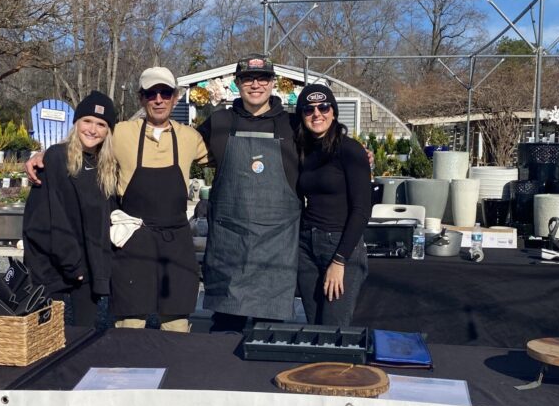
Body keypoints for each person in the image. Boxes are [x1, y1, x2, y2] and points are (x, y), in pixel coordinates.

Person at [197, 54, 302, 332]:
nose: (256, 84)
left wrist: (359, 155)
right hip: (229, 249)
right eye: (248, 79)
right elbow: (178, 151)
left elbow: (329, 151)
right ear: (237, 83)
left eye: (263, 78)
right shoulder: (218, 122)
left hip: (276, 253)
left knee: (269, 340)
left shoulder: (293, 125)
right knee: (224, 337)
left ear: (273, 83)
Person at [109, 67, 208, 332]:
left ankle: (176, 373)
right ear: (141, 99)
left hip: (176, 242)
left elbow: (228, 157)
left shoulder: (190, 137)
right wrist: (41, 158)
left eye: (165, 92)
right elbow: (80, 142)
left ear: (175, 97)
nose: (159, 99)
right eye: (151, 93)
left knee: (176, 325)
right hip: (134, 242)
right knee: (130, 323)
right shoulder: (120, 133)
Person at [22, 91, 118, 330]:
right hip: (52, 265)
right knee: (46, 337)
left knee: (83, 335)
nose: (92, 129)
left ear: (108, 131)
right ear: (76, 123)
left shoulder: (106, 169)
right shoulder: (55, 157)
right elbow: (47, 218)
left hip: (86, 269)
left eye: (101, 124)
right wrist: (71, 263)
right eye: (87, 121)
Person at [294, 83, 372, 326]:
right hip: (306, 246)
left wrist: (340, 261)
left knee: (333, 329)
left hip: (339, 245)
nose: (317, 113)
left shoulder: (350, 151)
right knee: (315, 326)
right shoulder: (304, 149)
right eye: (308, 109)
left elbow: (362, 210)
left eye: (324, 107)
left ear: (334, 112)